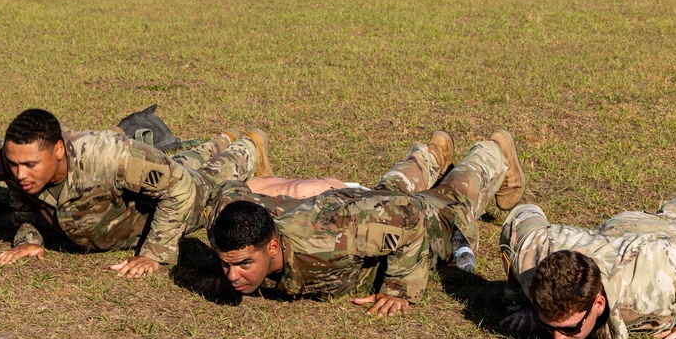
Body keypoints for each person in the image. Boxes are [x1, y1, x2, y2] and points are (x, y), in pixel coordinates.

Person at [205, 130, 526, 315]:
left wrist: (399, 287)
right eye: (226, 264)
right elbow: (224, 193)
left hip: (418, 221)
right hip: (363, 208)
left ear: (272, 246)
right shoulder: (227, 226)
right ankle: (432, 154)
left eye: (244, 263)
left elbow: (410, 218)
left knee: (453, 198)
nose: (233, 275)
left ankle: (494, 150)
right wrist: (227, 264)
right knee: (387, 192)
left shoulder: (328, 239)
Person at [499, 165, 676, 339]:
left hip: (668, 245)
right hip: (625, 227)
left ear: (598, 304)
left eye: (569, 328)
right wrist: (521, 301)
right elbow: (522, 215)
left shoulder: (661, 276)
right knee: (671, 215)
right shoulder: (531, 259)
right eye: (549, 326)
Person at [0, 108, 272, 278]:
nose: (20, 175)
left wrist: (154, 253)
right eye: (14, 165)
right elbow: (24, 208)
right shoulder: (16, 159)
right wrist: (28, 240)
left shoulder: (109, 157)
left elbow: (180, 189)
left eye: (30, 166)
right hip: (142, 191)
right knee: (175, 167)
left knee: (205, 180)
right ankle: (221, 140)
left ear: (58, 150)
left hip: (161, 209)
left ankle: (248, 146)